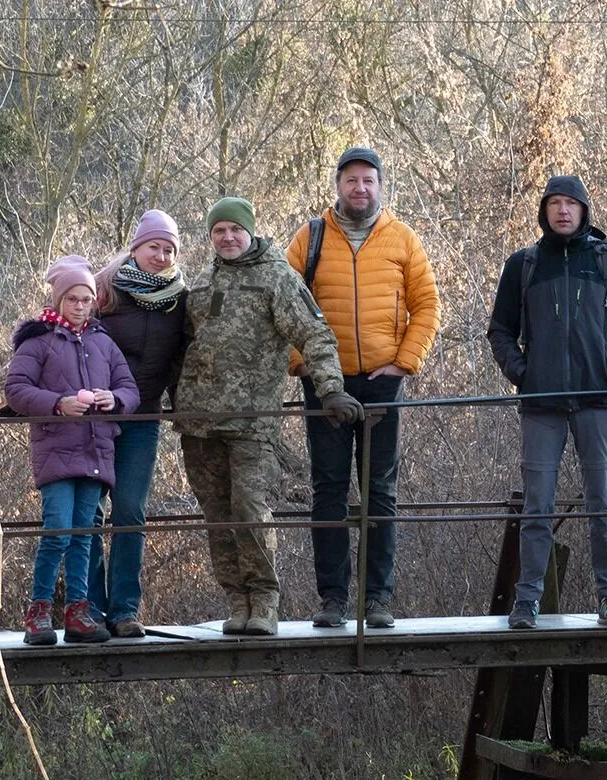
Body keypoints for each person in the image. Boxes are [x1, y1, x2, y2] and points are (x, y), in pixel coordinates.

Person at [176, 196, 363, 636]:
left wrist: (331, 389)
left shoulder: (277, 276)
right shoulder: (201, 282)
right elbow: (183, 347)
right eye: (219, 231)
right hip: (199, 422)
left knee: (249, 509)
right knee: (217, 515)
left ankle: (264, 602)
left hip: (252, 421)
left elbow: (314, 333)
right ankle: (237, 601)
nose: (227, 237)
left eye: (235, 230)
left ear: (250, 231)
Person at [285, 146, 441, 629]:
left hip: (381, 384)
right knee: (328, 488)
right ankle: (333, 599)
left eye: (368, 180)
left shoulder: (402, 238)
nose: (360, 188)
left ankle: (377, 600)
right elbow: (283, 303)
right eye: (351, 180)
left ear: (380, 186)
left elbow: (428, 304)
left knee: (380, 490)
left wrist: (404, 363)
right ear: (338, 185)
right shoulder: (310, 237)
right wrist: (303, 365)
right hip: (325, 384)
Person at [486, 175, 607, 630]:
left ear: (583, 210)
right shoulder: (524, 265)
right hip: (542, 405)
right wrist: (523, 374)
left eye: (570, 203)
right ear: (544, 211)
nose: (562, 210)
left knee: (602, 505)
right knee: (537, 507)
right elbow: (500, 330)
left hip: (597, 400)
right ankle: (526, 602)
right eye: (554, 203)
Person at [5, 255, 140, 645]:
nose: (80, 306)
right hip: (56, 451)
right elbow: (15, 390)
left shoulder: (103, 343)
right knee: (58, 533)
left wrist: (113, 399)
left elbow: (130, 390)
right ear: (59, 300)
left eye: (86, 299)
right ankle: (38, 614)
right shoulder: (39, 341)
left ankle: (78, 613)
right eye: (72, 299)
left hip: (97, 450)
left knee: (84, 534)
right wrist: (58, 403)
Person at [86, 210, 188, 638]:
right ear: (136, 248)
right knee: (89, 513)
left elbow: (186, 357)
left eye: (168, 250)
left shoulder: (180, 299)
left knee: (130, 510)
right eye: (153, 247)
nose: (161, 256)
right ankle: (89, 608)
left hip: (144, 417)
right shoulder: (103, 288)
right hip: (95, 419)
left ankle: (124, 610)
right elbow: (63, 334)